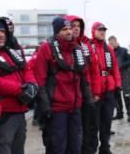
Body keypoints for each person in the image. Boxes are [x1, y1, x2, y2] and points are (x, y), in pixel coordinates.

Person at [0, 15, 37, 154]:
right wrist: (21, 89)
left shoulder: (10, 50)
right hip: (2, 114)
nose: (0, 34)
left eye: (3, 31)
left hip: (20, 111)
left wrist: (32, 84)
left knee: (18, 149)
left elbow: (26, 68)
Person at [34, 17, 89, 154]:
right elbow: (40, 80)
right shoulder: (46, 48)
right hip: (56, 109)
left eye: (70, 28)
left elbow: (83, 77)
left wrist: (87, 101)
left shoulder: (77, 49)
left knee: (75, 146)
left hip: (75, 107)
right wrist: (46, 107)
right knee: (58, 147)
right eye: (65, 29)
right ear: (57, 32)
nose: (69, 32)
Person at [65, 15, 101, 154]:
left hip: (88, 94)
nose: (76, 29)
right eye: (72, 26)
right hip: (71, 97)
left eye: (78, 26)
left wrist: (96, 92)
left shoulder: (86, 45)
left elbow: (94, 69)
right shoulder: (60, 46)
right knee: (74, 132)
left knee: (90, 128)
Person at [91, 22, 121, 154]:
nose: (102, 32)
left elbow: (115, 68)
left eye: (104, 30)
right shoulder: (88, 47)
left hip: (109, 89)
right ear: (93, 31)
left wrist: (118, 85)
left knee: (107, 121)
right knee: (94, 124)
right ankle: (92, 148)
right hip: (95, 92)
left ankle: (105, 148)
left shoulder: (109, 49)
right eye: (100, 30)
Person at [108, 36, 130, 122]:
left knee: (126, 95)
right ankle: (119, 113)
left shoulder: (124, 50)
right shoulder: (109, 52)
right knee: (117, 96)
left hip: (125, 75)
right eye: (110, 43)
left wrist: (122, 65)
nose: (111, 45)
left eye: (112, 43)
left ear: (116, 42)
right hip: (115, 76)